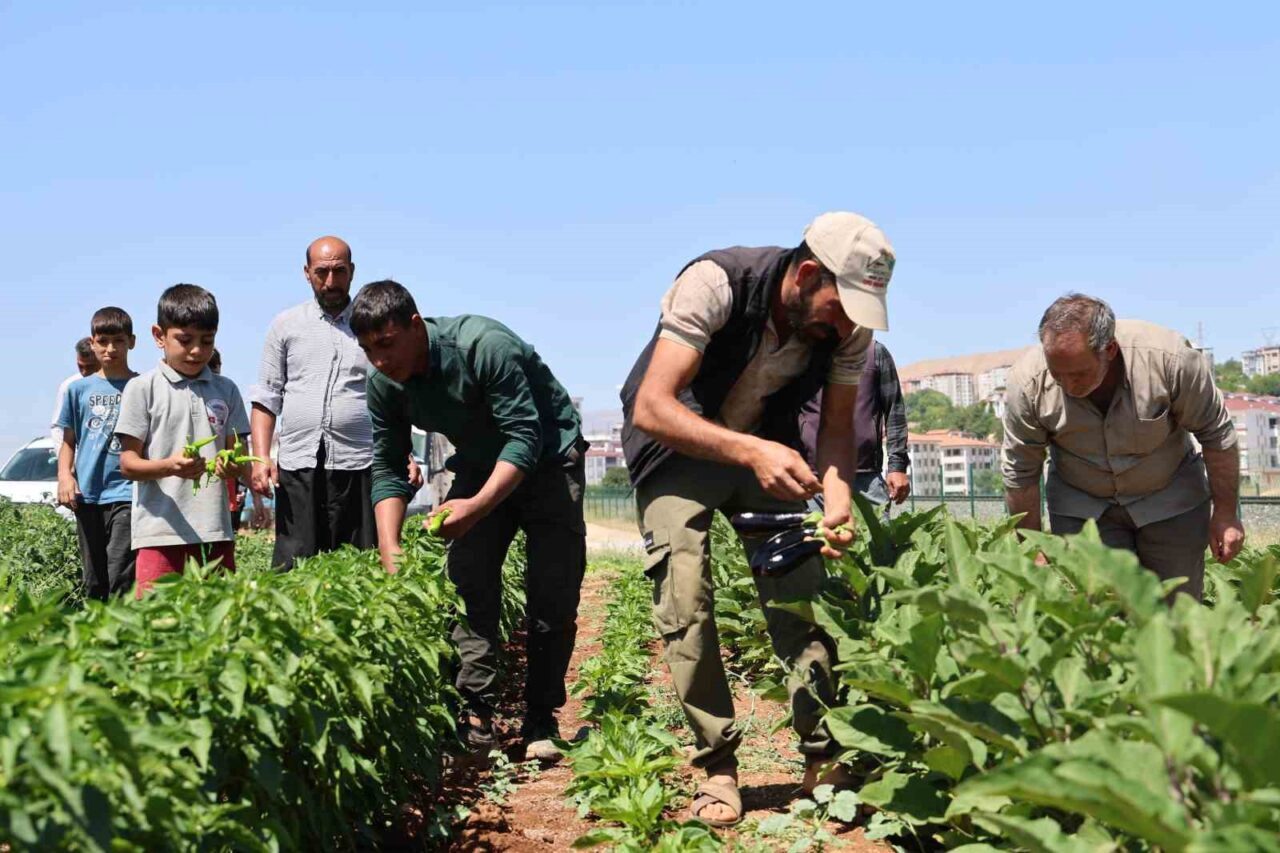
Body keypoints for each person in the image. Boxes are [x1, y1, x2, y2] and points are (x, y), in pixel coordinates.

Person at [619, 211, 896, 826]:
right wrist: (749, 451)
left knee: (803, 593)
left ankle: (824, 758)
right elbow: (652, 406)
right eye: (841, 306)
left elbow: (837, 428)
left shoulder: (848, 330)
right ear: (807, 275)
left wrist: (837, 501)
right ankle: (717, 766)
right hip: (677, 448)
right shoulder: (716, 282)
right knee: (684, 596)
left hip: (767, 452)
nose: (846, 324)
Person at [351, 280, 587, 764]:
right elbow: (388, 466)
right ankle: (476, 716)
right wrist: (389, 549)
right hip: (480, 462)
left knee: (553, 593)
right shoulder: (384, 384)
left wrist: (475, 508)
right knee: (468, 586)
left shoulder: (484, 346)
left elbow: (524, 437)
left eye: (387, 344)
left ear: (415, 325)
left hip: (549, 459)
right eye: (369, 349)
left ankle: (540, 718)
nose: (380, 360)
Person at [1002, 294, 1244, 601]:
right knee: (1101, 612)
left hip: (1170, 499)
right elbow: (1021, 471)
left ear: (1110, 350)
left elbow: (1217, 435)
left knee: (1178, 610)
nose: (1068, 385)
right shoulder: (1027, 383)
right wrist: (1033, 547)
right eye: (1057, 374)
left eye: (1078, 374)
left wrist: (1226, 514)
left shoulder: (1170, 360)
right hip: (1083, 507)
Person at [115, 285, 250, 598]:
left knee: (220, 616)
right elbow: (128, 464)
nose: (197, 351)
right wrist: (170, 466)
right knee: (157, 617)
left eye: (207, 341)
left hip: (214, 530)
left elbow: (239, 457)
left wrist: (231, 466)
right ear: (159, 336)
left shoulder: (226, 390)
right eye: (185, 340)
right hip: (159, 532)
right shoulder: (142, 388)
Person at [54, 308, 138, 599]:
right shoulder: (77, 390)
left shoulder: (143, 386)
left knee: (120, 575)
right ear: (92, 343)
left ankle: (122, 626)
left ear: (132, 342)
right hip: (88, 495)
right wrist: (65, 477)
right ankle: (95, 626)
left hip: (128, 493)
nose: (110, 349)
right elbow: (68, 441)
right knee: (93, 581)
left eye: (118, 341)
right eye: (103, 341)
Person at [798, 339, 910, 518]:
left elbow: (894, 411)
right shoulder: (800, 352)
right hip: (813, 478)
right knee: (816, 535)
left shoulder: (875, 352)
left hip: (866, 478)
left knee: (878, 535)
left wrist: (897, 466)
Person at [208, 348, 265, 530]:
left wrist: (255, 495)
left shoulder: (227, 392)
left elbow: (241, 454)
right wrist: (256, 497)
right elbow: (243, 455)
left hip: (224, 495)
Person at [50, 338, 100, 443]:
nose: (84, 372)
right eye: (80, 366)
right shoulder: (69, 386)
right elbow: (58, 427)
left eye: (90, 366)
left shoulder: (116, 383)